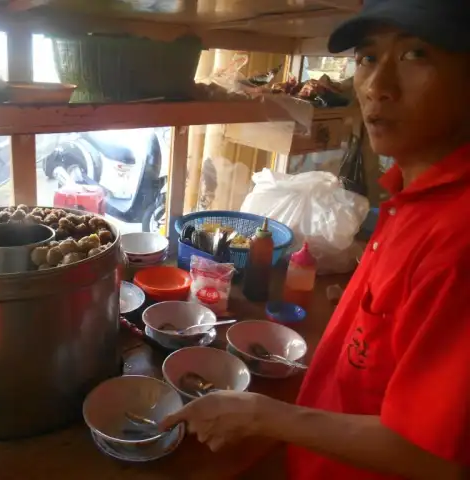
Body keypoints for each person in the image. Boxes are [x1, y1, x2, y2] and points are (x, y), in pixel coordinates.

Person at [159, 0, 470, 479]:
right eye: (368, 58)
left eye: (415, 55)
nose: (376, 87)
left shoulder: (458, 237)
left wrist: (264, 415)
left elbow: (432, 457)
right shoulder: (409, 197)